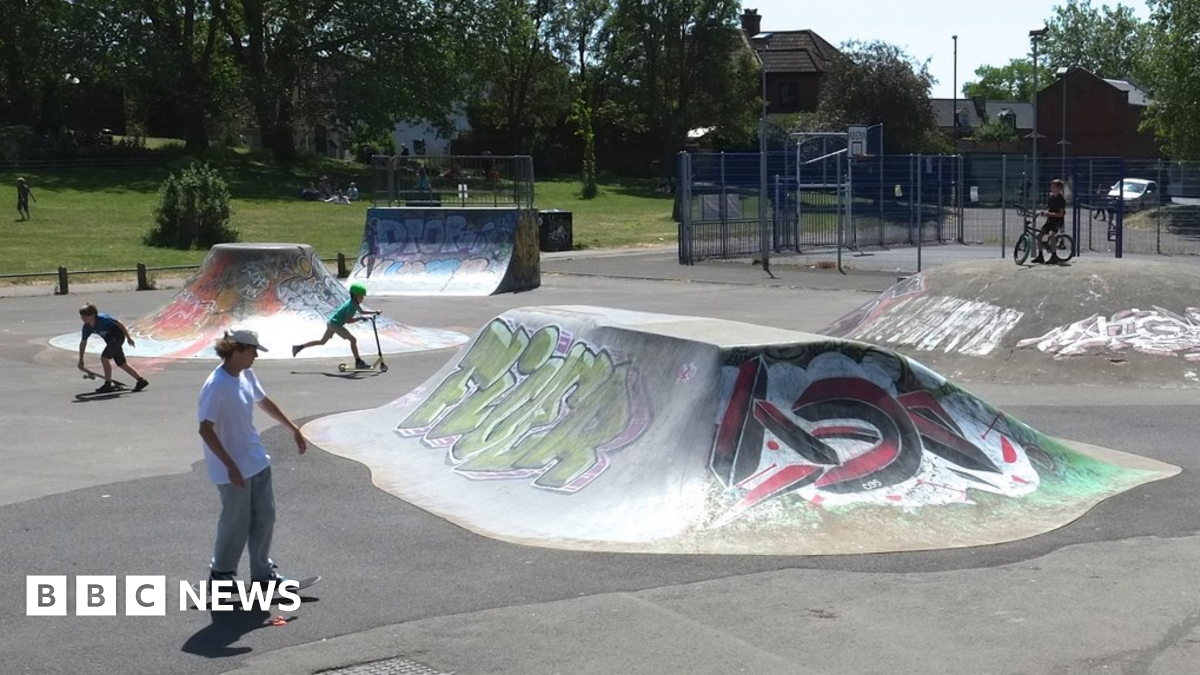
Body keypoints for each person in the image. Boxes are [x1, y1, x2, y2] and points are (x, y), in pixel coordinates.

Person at [199, 329, 306, 591]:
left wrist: (293, 428)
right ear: (236, 349)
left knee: (265, 517)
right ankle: (221, 576)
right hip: (233, 470)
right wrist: (230, 464)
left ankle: (263, 575)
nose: (256, 356)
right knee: (235, 523)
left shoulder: (246, 374)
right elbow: (205, 429)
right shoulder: (216, 385)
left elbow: (264, 401)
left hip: (257, 460)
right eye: (253, 350)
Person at [291, 283, 381, 368]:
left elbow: (361, 312)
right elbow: (348, 321)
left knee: (322, 342)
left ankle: (299, 347)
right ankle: (358, 362)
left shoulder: (354, 303)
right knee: (353, 340)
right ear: (354, 296)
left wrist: (374, 312)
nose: (362, 298)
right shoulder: (352, 305)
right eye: (361, 296)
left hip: (331, 323)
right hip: (335, 325)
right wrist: (360, 318)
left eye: (363, 297)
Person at [77, 303, 149, 393]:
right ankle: (141, 381)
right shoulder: (87, 328)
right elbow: (83, 343)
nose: (82, 319)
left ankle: (108, 384)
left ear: (93, 315)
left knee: (104, 358)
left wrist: (128, 337)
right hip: (110, 340)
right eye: (82, 317)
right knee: (121, 363)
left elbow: (119, 323)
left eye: (85, 317)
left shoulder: (104, 319)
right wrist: (81, 360)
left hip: (117, 336)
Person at [1034, 178, 1068, 264]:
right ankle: (1040, 256)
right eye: (1051, 186)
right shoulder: (1051, 198)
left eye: (1053, 186)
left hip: (1057, 222)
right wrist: (1044, 213)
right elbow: (1049, 209)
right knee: (1039, 236)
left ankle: (1054, 256)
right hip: (1050, 221)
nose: (1051, 187)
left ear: (1059, 188)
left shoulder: (1061, 200)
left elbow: (1061, 214)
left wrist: (1049, 214)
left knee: (1052, 235)